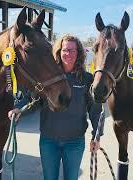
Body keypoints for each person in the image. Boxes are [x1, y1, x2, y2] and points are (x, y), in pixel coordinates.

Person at [8, 34, 105, 180]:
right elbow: (31, 96)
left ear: (78, 53)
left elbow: (95, 111)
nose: (68, 54)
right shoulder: (47, 77)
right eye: (65, 50)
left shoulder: (86, 79)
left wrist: (96, 136)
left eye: (73, 50)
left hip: (74, 142)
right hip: (49, 141)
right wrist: (18, 108)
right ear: (59, 52)